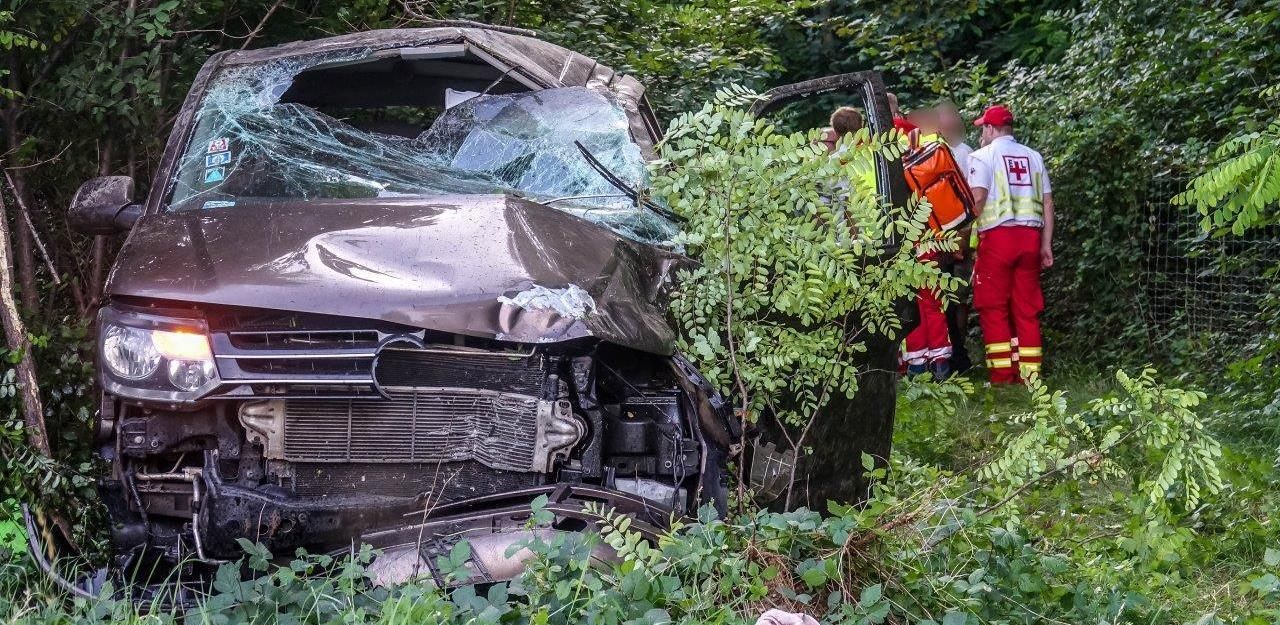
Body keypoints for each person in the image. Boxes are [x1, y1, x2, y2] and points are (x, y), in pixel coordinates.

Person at [966, 105, 1054, 383]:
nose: (982, 133)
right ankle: (1031, 375)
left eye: (983, 128)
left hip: (997, 240)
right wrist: (1046, 245)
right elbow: (1049, 203)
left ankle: (1003, 375)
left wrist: (961, 233)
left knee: (993, 308)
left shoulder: (981, 157)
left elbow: (977, 200)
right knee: (1026, 309)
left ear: (990, 129)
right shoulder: (1034, 156)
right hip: (1031, 238)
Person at [934, 100, 976, 371]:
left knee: (958, 297)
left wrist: (964, 238)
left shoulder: (964, 152)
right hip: (938, 234)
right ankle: (949, 351)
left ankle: (958, 350)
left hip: (959, 234)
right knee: (942, 297)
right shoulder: (936, 151)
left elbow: (971, 198)